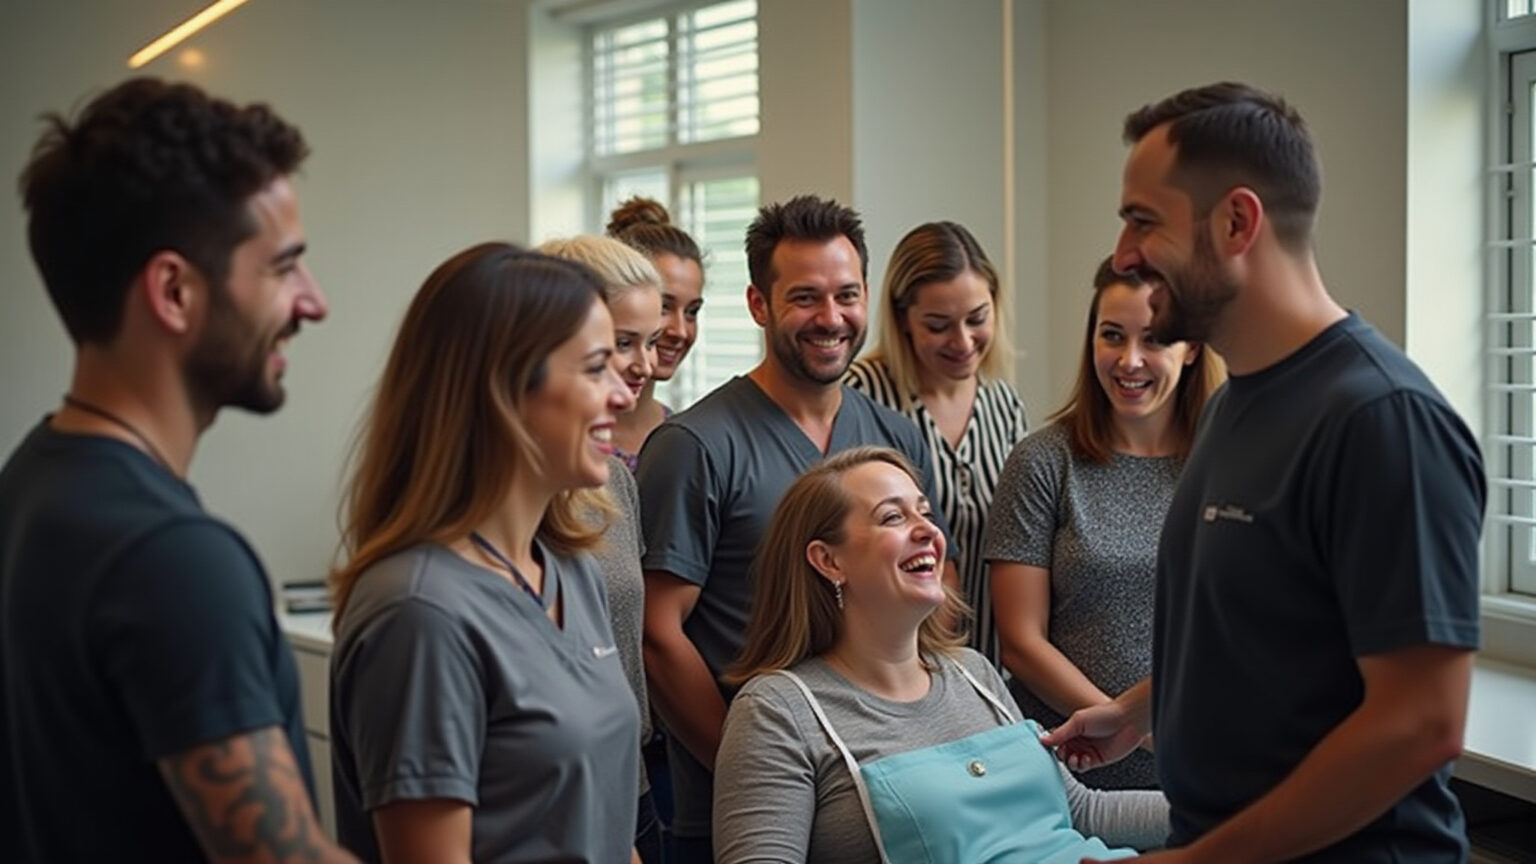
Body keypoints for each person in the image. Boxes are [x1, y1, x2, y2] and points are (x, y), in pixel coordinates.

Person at [1040, 82, 1485, 863]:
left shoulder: (1381, 420)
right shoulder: (1230, 407)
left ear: (1237, 222)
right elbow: (1267, 636)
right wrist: (1141, 711)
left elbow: (1421, 723)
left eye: (1144, 220)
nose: (1123, 255)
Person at [0, 78, 350, 862]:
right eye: (284, 267)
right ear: (173, 291)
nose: (314, 301)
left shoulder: (33, 480)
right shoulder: (173, 559)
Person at [637, 194, 956, 863]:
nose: (831, 318)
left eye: (846, 295)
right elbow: (659, 634)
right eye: (805, 298)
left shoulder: (895, 439)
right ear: (760, 305)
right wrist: (756, 769)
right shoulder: (697, 445)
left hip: (889, 805)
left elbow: (931, 603)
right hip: (745, 812)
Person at [328, 243, 642, 864]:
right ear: (504, 387)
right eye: (596, 367)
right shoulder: (420, 612)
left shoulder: (571, 569)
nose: (624, 395)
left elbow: (606, 830)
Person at [713, 446, 1168, 863]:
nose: (928, 530)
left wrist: (1230, 806)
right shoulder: (778, 709)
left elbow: (1082, 812)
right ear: (829, 561)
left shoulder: (973, 673)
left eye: (925, 512)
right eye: (893, 517)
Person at [984, 256, 1223, 790]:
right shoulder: (1043, 461)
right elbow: (1021, 643)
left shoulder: (1229, 466)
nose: (1129, 361)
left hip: (1204, 766)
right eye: (1111, 336)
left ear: (1192, 350)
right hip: (1070, 767)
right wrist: (1136, 727)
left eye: (1155, 340)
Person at [539, 234, 667, 863]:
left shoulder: (612, 476)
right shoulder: (517, 511)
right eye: (622, 344)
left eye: (651, 341)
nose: (643, 365)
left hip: (632, 783)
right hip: (558, 798)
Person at [846, 221, 1028, 662]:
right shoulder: (861, 396)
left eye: (977, 319)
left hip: (993, 662)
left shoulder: (1003, 403)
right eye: (939, 325)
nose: (963, 341)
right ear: (904, 319)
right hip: (897, 663)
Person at [608, 196, 707, 467]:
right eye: (664, 306)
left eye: (692, 312)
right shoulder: (570, 436)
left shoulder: (684, 438)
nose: (680, 331)